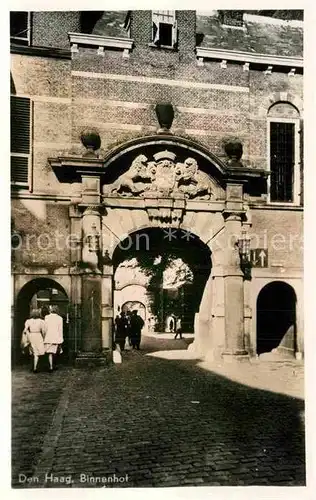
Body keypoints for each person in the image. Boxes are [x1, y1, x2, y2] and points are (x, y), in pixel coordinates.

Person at [22, 309, 46, 373]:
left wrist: (27, 335)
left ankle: (32, 366)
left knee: (32, 351)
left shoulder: (28, 321)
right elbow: (43, 331)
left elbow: (25, 330)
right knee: (37, 353)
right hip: (38, 336)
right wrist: (43, 337)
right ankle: (35, 367)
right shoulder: (41, 321)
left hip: (31, 336)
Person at [44, 305, 63, 372]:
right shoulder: (60, 318)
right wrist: (61, 339)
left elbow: (45, 328)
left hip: (48, 337)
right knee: (55, 352)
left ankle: (51, 366)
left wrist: (44, 336)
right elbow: (60, 330)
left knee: (50, 353)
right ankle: (54, 365)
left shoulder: (46, 317)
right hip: (56, 337)